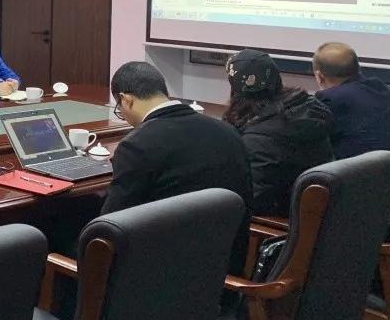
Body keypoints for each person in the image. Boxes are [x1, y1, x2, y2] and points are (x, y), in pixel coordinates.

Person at [104, 60, 252, 272]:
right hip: (222, 267)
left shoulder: (138, 144)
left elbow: (109, 226)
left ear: (126, 100)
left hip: (154, 274)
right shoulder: (228, 132)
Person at [223, 49, 332, 218]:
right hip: (312, 212)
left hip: (277, 220)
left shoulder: (258, 137)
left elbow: (254, 199)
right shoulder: (308, 108)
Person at [313, 41, 390, 159]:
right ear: (358, 68)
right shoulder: (380, 87)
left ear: (319, 77)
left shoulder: (327, 100)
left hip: (353, 168)